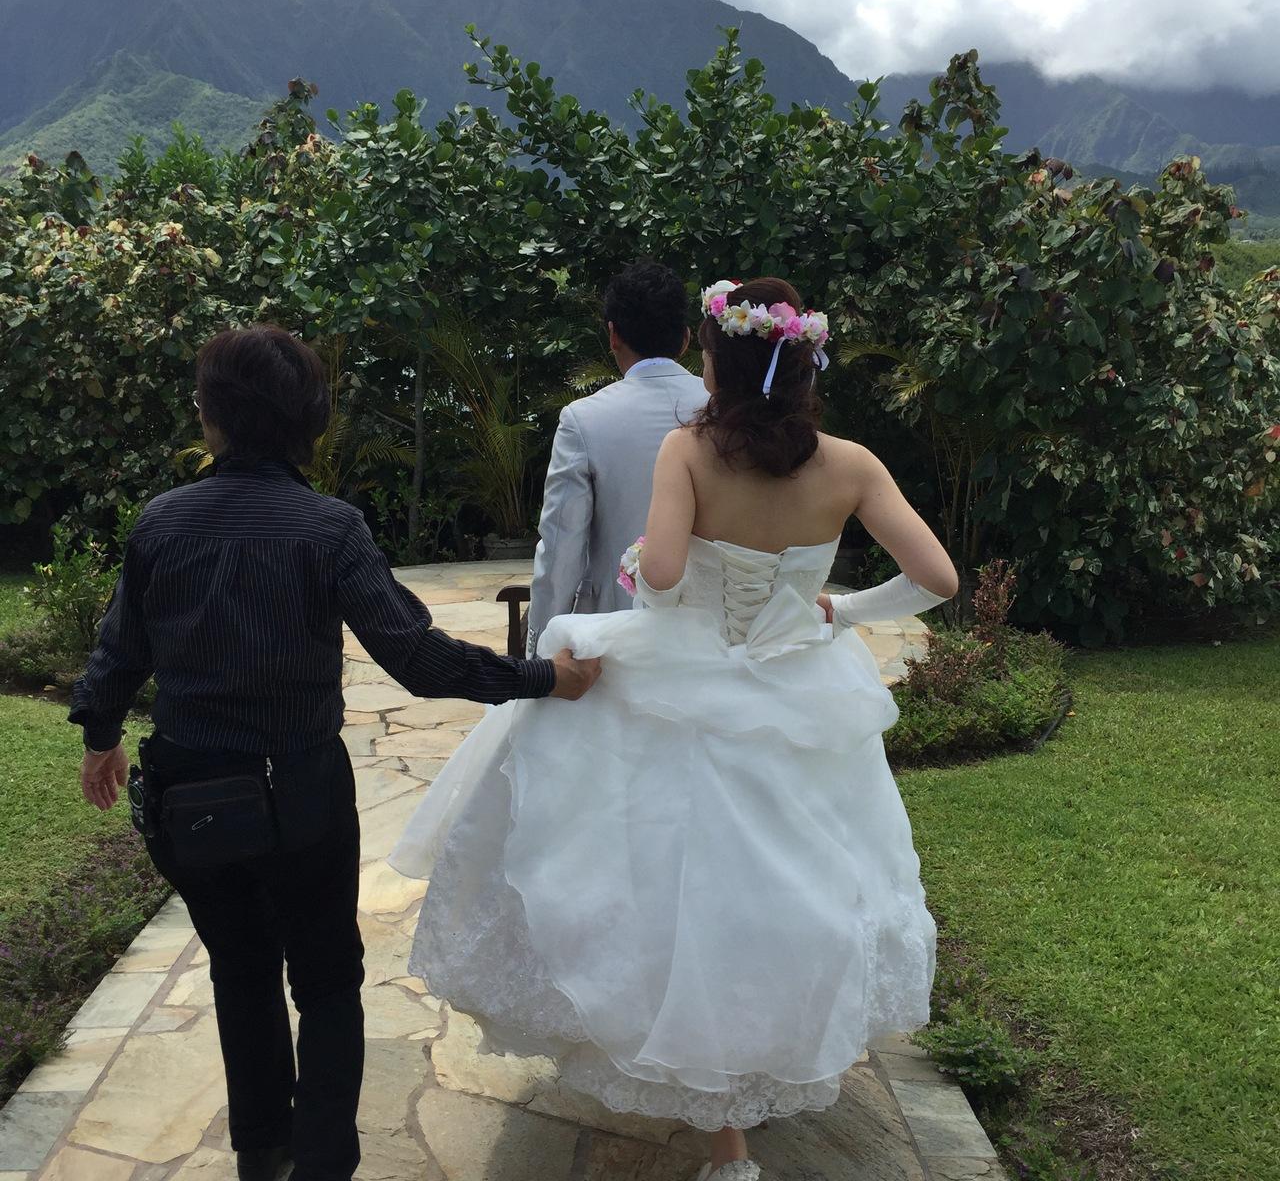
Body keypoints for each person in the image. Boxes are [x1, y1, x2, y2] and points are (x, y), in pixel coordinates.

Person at [391, 277, 959, 1180]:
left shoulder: (688, 450)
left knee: (669, 882)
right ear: (807, 367)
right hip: (799, 686)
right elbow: (936, 579)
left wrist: (650, 568)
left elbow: (656, 577)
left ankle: (702, 1095)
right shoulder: (852, 463)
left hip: (685, 678)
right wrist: (838, 612)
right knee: (791, 882)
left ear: (715, 362)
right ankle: (765, 1058)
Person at [71, 324, 599, 1181]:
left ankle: (261, 1157)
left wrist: (101, 739)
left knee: (240, 971)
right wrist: (544, 677)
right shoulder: (329, 529)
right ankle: (321, 1165)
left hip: (191, 796)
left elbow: (118, 651)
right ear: (311, 419)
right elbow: (417, 660)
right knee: (325, 982)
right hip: (301, 795)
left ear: (212, 416)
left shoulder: (163, 523)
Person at [526, 258, 706, 655]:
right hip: (712, 634)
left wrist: (540, 651)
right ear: (685, 338)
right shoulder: (728, 411)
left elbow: (560, 548)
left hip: (612, 633)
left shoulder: (584, 420)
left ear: (613, 335)